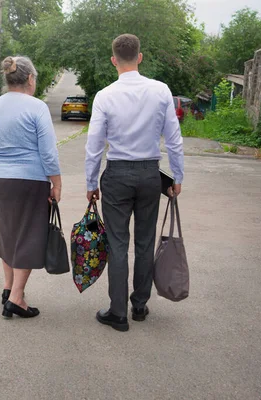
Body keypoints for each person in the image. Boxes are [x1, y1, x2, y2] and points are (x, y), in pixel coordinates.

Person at [84, 34, 185, 332]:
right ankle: (139, 304)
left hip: (116, 175)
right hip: (149, 175)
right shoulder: (161, 91)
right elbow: (174, 140)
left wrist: (91, 182)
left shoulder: (105, 95)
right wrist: (177, 176)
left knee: (117, 244)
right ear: (140, 57)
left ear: (114, 60)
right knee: (144, 241)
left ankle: (117, 312)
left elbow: (94, 145)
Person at [0, 56, 62, 319]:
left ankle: (8, 289)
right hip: (30, 180)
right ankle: (16, 298)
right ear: (29, 79)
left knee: (9, 234)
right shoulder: (36, 107)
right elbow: (48, 152)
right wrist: (56, 182)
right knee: (28, 236)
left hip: (1, 180)